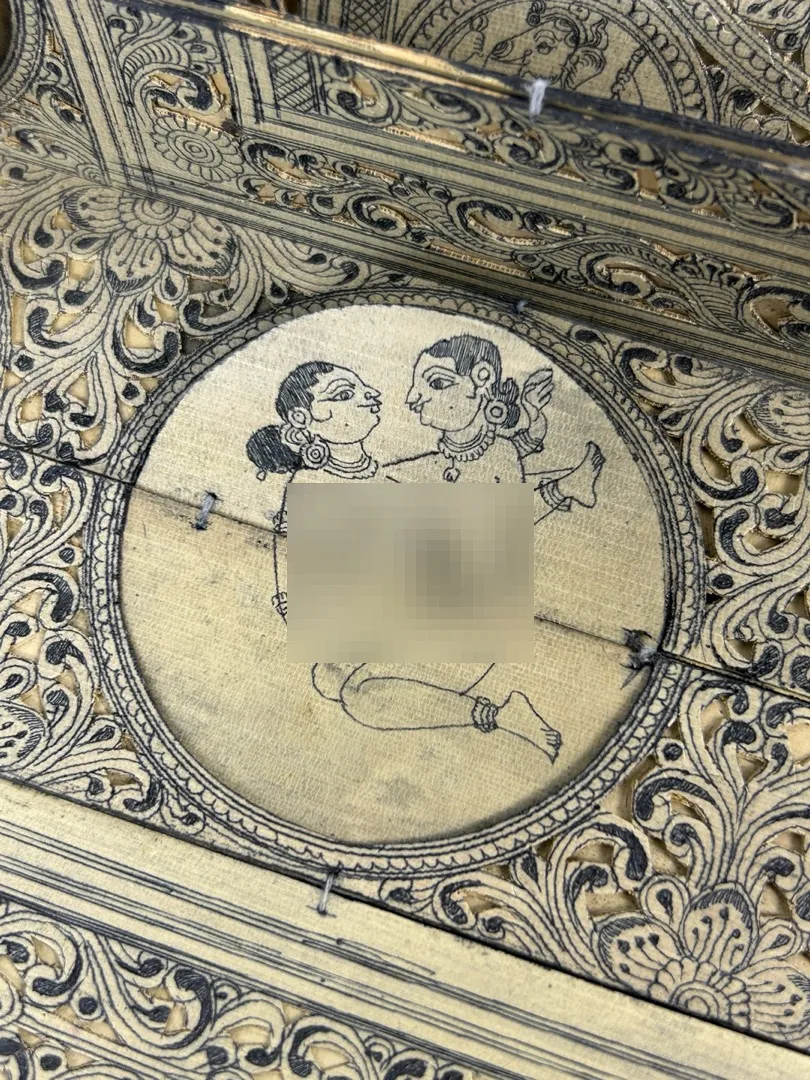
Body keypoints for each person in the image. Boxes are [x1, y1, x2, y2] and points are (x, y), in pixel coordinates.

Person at [383, 334, 604, 521]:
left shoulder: (502, 453)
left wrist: (532, 412)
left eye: (437, 383)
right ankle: (568, 485)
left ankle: (569, 485)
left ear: (482, 377)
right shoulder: (422, 466)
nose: (412, 398)